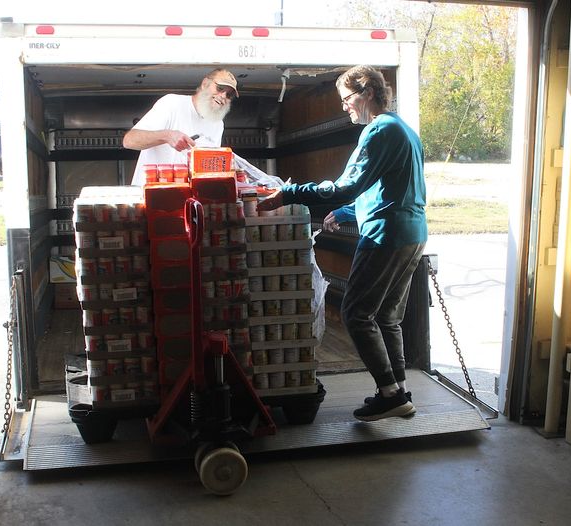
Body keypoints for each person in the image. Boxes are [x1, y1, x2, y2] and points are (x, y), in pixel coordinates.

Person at [257, 65, 427, 422]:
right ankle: (398, 391)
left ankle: (390, 394)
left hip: (386, 235)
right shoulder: (404, 130)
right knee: (387, 317)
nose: (345, 107)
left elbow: (346, 184)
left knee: (355, 313)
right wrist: (348, 213)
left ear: (366, 93)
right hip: (411, 233)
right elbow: (387, 186)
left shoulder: (379, 130)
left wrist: (288, 193)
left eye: (347, 99)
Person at [123, 68, 239, 186]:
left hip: (186, 199)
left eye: (229, 95)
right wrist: (167, 136)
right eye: (219, 88)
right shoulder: (172, 103)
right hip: (150, 195)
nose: (223, 95)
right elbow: (129, 141)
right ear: (205, 84)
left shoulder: (218, 124)